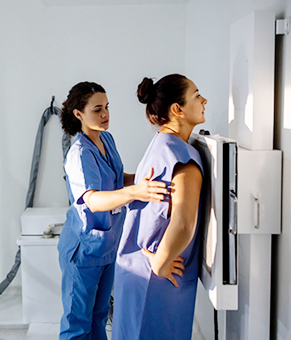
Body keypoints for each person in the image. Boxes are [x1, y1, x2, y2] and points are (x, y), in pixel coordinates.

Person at [57, 81, 168, 340]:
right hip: (83, 251)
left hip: (107, 247)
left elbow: (117, 178)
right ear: (78, 114)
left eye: (107, 107)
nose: (105, 114)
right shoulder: (79, 153)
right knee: (78, 325)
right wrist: (135, 193)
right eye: (97, 109)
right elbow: (92, 200)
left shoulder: (107, 139)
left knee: (99, 318)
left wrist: (144, 181)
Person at [111, 74, 207, 340]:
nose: (204, 100)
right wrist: (162, 264)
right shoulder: (184, 158)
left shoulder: (160, 145)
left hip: (134, 267)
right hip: (156, 276)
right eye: (197, 95)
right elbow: (183, 223)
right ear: (178, 109)